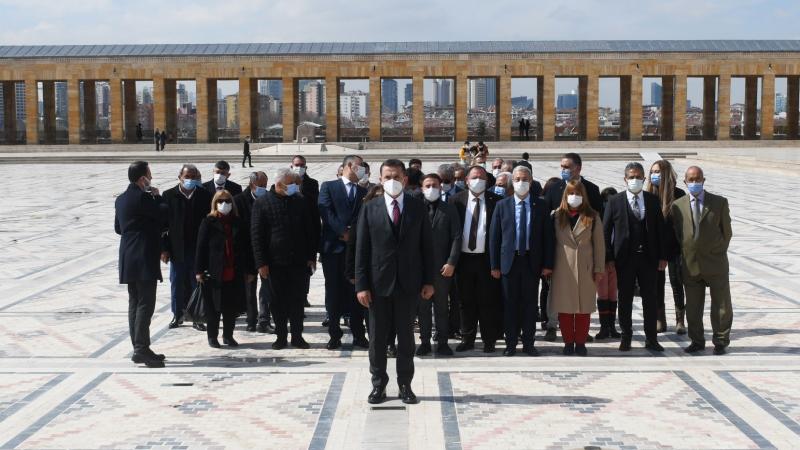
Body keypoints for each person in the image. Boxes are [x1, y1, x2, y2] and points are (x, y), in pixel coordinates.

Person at [355, 159, 435, 405]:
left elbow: (427, 247)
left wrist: (429, 281)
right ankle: (378, 385)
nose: (392, 181)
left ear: (405, 179)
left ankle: (405, 385)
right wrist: (361, 285)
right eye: (387, 176)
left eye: (396, 176)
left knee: (406, 339)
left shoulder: (417, 207)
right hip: (378, 285)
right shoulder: (370, 208)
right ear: (380, 179)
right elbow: (361, 249)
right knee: (377, 340)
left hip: (409, 284)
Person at [489, 165, 554, 356]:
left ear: (531, 182)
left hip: (531, 262)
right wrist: (494, 265)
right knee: (509, 304)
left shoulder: (540, 205)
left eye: (525, 179)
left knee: (529, 305)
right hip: (509, 262)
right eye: (517, 179)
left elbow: (547, 238)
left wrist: (548, 264)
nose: (521, 183)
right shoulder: (502, 205)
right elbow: (495, 238)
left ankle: (528, 343)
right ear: (512, 182)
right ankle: (510, 343)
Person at [603, 162, 668, 352]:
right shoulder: (615, 201)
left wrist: (663, 256)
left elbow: (660, 230)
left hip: (648, 258)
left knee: (650, 298)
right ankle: (626, 336)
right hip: (624, 259)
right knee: (625, 299)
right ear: (625, 179)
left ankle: (652, 338)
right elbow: (606, 231)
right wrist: (608, 258)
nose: (635, 180)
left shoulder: (652, 200)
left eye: (638, 176)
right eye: (631, 177)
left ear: (644, 179)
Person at [251, 168, 317, 350]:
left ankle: (297, 336)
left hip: (298, 261)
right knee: (277, 302)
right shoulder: (262, 203)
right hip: (274, 263)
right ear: (279, 184)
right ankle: (280, 336)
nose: (294, 186)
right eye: (291, 183)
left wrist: (312, 256)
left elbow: (310, 230)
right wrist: (261, 263)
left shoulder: (300, 201)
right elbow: (257, 235)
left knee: (297, 301)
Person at [671, 166, 733, 355]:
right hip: (691, 265)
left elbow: (727, 232)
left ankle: (721, 340)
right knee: (693, 308)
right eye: (691, 180)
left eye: (698, 179)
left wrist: (717, 250)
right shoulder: (678, 206)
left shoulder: (719, 203)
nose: (695, 183)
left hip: (715, 263)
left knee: (721, 305)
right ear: (685, 182)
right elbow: (677, 234)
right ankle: (696, 340)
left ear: (704, 180)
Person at [115, 161, 166, 368]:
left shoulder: (120, 200)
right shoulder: (144, 198)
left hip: (127, 255)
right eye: (149, 175)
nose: (151, 178)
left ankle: (139, 347)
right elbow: (164, 214)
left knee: (134, 302)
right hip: (143, 255)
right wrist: (157, 195)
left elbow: (118, 228)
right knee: (146, 303)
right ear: (142, 179)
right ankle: (141, 349)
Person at [319, 155, 369, 350]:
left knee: (355, 291)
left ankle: (358, 333)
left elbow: (364, 216)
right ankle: (334, 334)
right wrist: (343, 231)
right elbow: (326, 212)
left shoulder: (363, 191)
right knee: (333, 292)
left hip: (354, 250)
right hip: (333, 248)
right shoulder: (329, 186)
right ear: (350, 166)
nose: (363, 169)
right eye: (360, 166)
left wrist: (353, 235)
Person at [550, 180, 605, 356]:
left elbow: (599, 246)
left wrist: (599, 269)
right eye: (571, 193)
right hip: (562, 268)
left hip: (585, 268)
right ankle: (568, 342)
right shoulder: (556, 216)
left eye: (578, 194)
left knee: (583, 309)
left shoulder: (593, 216)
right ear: (566, 195)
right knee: (565, 308)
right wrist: (548, 267)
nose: (575, 197)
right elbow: (549, 243)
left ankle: (580, 342)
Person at [452, 165, 502, 353]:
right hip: (464, 260)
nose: (478, 180)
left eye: (481, 177)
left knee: (488, 302)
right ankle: (468, 338)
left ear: (487, 180)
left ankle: (489, 340)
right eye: (474, 177)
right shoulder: (455, 201)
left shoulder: (497, 201)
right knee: (465, 302)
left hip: (486, 260)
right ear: (466, 180)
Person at [162, 164, 212, 331]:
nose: (189, 180)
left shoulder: (205, 196)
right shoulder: (169, 195)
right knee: (176, 282)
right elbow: (163, 226)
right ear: (180, 177)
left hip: (197, 249)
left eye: (193, 177)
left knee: (195, 282)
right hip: (177, 249)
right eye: (187, 176)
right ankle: (178, 314)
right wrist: (164, 249)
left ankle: (197, 316)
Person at [195, 190, 247, 348]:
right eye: (221, 201)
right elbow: (201, 248)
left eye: (228, 201)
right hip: (214, 272)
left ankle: (228, 335)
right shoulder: (208, 222)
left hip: (233, 271)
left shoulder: (238, 222)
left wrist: (248, 269)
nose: (225, 204)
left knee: (230, 307)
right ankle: (212, 336)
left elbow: (246, 247)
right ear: (215, 203)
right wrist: (198, 271)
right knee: (213, 307)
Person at [417, 173, 461, 356]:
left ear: (441, 187)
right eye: (427, 185)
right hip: (420, 269)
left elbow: (457, 237)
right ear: (421, 188)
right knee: (423, 308)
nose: (431, 189)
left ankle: (443, 342)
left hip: (442, 269)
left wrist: (451, 262)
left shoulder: (449, 209)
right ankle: (425, 342)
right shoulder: (416, 208)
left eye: (434, 185)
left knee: (442, 307)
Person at [647, 159, 687, 334]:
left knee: (677, 282)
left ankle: (680, 320)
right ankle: (659, 319)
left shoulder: (678, 194)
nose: (654, 175)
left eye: (658, 172)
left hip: (674, 247)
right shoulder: (648, 194)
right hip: (655, 248)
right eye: (652, 172)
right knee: (657, 284)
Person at [234, 171, 274, 333]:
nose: (264, 188)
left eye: (265, 185)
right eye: (261, 186)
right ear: (252, 185)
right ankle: (251, 320)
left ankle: (264, 320)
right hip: (247, 252)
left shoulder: (270, 198)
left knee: (267, 288)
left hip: (267, 252)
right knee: (249, 289)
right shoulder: (239, 201)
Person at [594, 187, 621, 339]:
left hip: (616, 263)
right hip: (602, 262)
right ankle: (604, 327)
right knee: (603, 294)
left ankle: (612, 326)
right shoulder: (599, 219)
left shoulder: (619, 218)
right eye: (606, 201)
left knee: (613, 295)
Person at [540, 177, 562, 341]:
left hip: (579, 263)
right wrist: (547, 263)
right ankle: (551, 325)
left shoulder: (587, 215)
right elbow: (547, 239)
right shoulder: (553, 216)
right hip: (556, 260)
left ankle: (576, 327)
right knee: (553, 293)